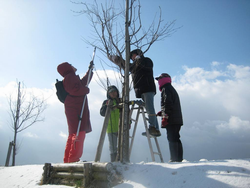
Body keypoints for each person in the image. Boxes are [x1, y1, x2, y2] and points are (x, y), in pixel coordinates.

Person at [109, 49, 160, 137]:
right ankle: (155, 129)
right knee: (149, 107)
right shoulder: (135, 65)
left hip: (147, 88)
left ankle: (153, 128)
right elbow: (126, 66)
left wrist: (139, 58)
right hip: (143, 90)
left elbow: (145, 66)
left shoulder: (146, 61)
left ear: (137, 54)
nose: (132, 58)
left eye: (132, 56)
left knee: (149, 108)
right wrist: (116, 59)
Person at [57, 62, 93, 163]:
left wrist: (89, 70)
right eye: (70, 64)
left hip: (73, 110)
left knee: (73, 134)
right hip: (76, 110)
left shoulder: (70, 77)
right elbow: (75, 90)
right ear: (67, 68)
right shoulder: (70, 77)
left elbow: (82, 83)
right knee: (79, 133)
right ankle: (73, 159)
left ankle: (68, 159)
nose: (73, 65)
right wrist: (86, 90)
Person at [155, 73, 183, 162]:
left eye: (159, 79)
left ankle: (174, 159)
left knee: (171, 138)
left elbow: (167, 103)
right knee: (176, 137)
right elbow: (170, 104)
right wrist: (162, 112)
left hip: (171, 119)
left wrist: (165, 117)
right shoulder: (171, 89)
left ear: (163, 80)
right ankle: (178, 158)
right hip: (176, 119)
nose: (158, 81)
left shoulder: (165, 89)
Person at [100, 86, 121, 162]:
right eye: (111, 92)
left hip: (121, 127)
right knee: (113, 147)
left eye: (114, 91)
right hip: (110, 127)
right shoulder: (106, 102)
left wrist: (128, 123)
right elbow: (102, 113)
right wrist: (107, 106)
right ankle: (114, 162)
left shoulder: (120, 101)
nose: (113, 93)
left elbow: (127, 113)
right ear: (108, 93)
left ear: (117, 92)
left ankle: (121, 161)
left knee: (122, 146)